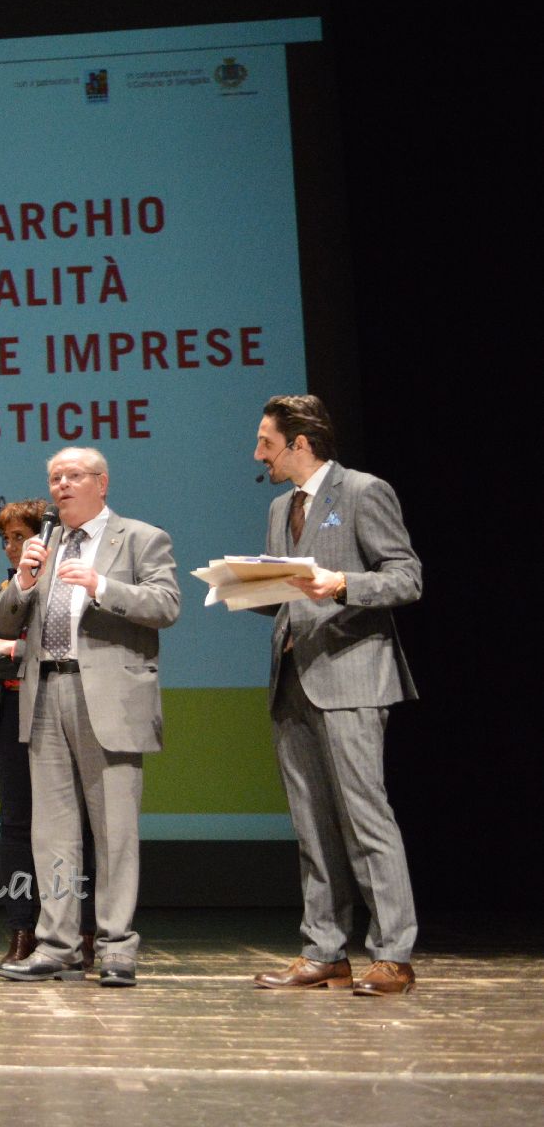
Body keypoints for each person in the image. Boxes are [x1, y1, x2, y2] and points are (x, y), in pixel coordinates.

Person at [248, 394, 421, 996]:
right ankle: (324, 950)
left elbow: (406, 577)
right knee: (311, 826)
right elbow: (288, 591)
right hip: (293, 676)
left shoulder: (363, 492)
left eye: (267, 443)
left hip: (350, 676)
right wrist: (246, 588)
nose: (259, 454)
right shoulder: (280, 506)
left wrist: (342, 582)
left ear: (299, 443)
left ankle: (393, 954)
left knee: (365, 820)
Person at [0, 447, 178, 988]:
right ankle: (58, 946)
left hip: (108, 696)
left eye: (73, 476)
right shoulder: (45, 543)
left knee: (114, 830)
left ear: (102, 483)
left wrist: (101, 586)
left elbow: (166, 605)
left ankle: (117, 946)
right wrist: (23, 581)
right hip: (44, 690)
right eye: (55, 478)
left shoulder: (140, 538)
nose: (62, 486)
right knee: (52, 833)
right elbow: (5, 620)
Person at [0, 499, 97, 969]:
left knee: (76, 825)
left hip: (60, 709)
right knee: (15, 826)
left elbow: (68, 649)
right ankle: (22, 929)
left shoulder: (67, 587)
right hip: (11, 718)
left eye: (21, 537)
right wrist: (28, 651)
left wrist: (17, 648)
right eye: (6, 539)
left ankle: (83, 930)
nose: (12, 547)